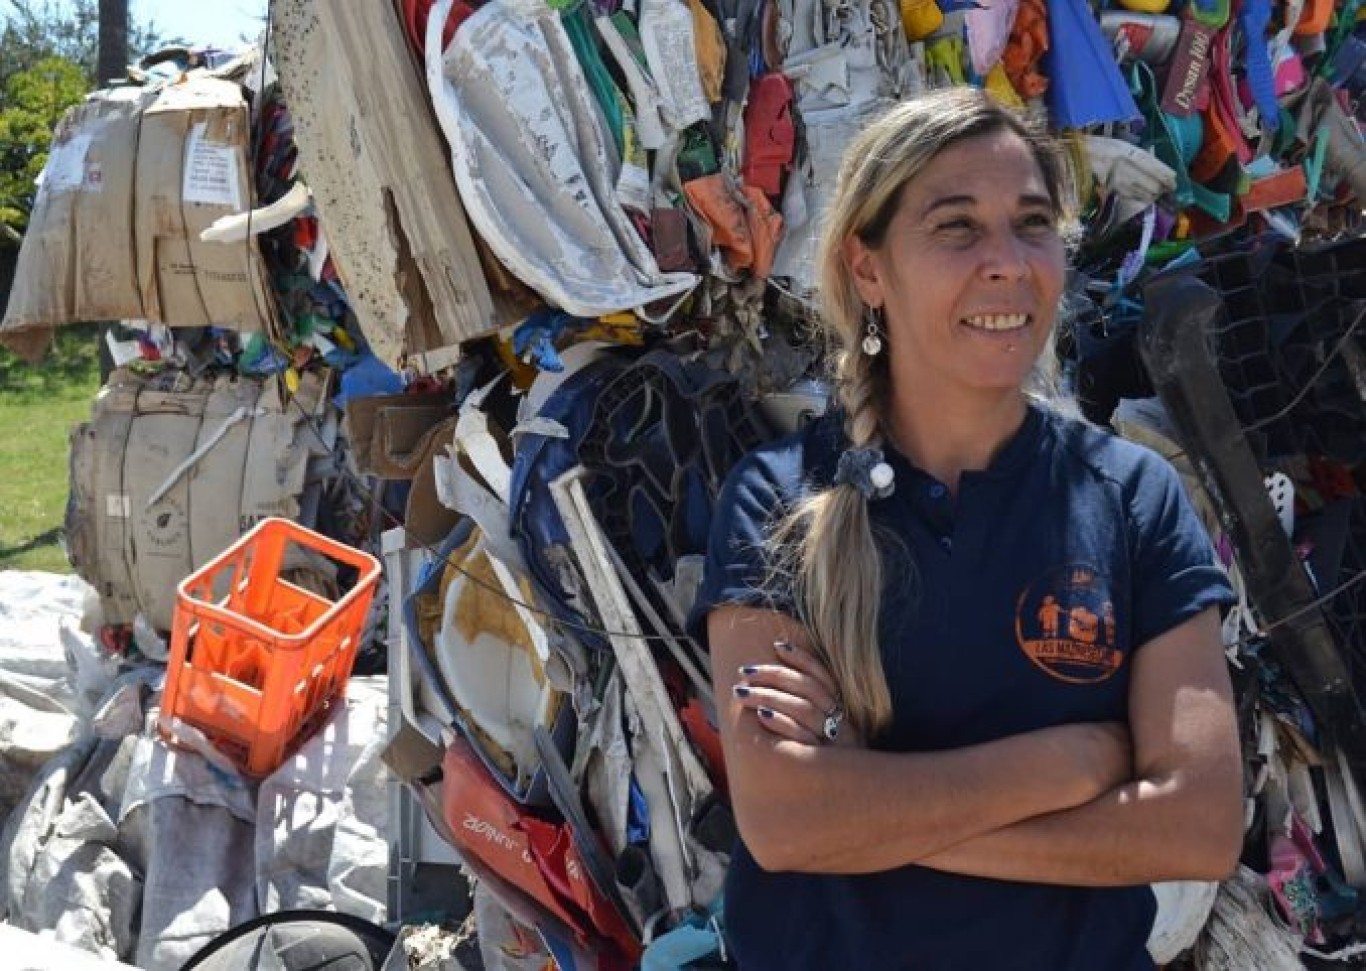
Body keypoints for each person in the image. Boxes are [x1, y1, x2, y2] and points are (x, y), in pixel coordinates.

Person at [686, 87, 1243, 970]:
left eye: (1031, 223)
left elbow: (1201, 825)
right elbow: (788, 819)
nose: (1008, 261)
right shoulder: (783, 500)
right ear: (868, 268)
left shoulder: (1132, 496)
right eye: (956, 227)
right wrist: (1066, 765)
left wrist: (869, 811)